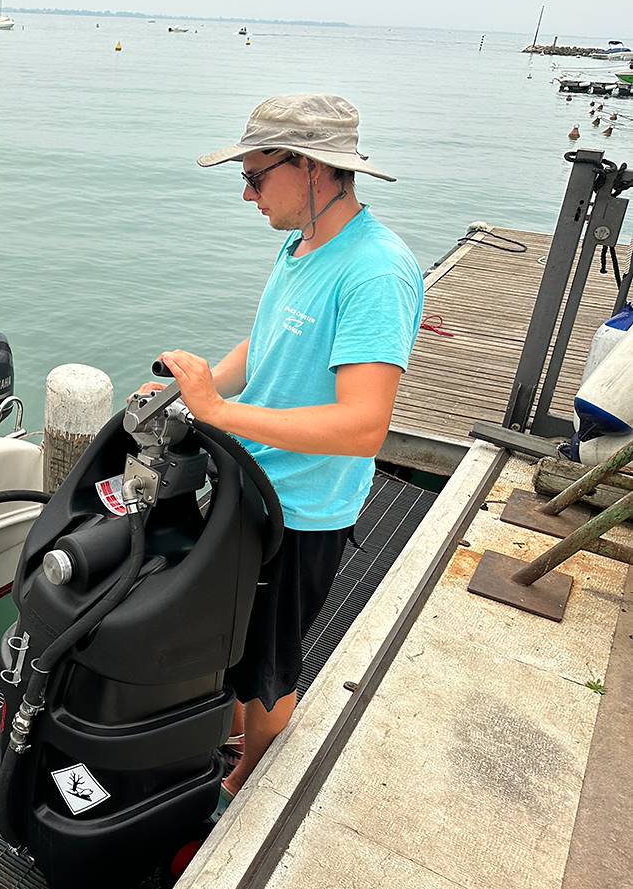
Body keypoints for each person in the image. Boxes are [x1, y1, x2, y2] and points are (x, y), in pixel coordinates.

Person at [140, 94, 424, 820]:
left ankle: (242, 788)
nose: (246, 192)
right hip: (251, 488)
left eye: (257, 175)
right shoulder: (298, 247)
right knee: (231, 642)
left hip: (302, 510)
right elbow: (262, 346)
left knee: (269, 665)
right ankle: (226, 742)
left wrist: (221, 411)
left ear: (310, 167)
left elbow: (365, 426)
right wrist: (193, 390)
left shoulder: (375, 272)